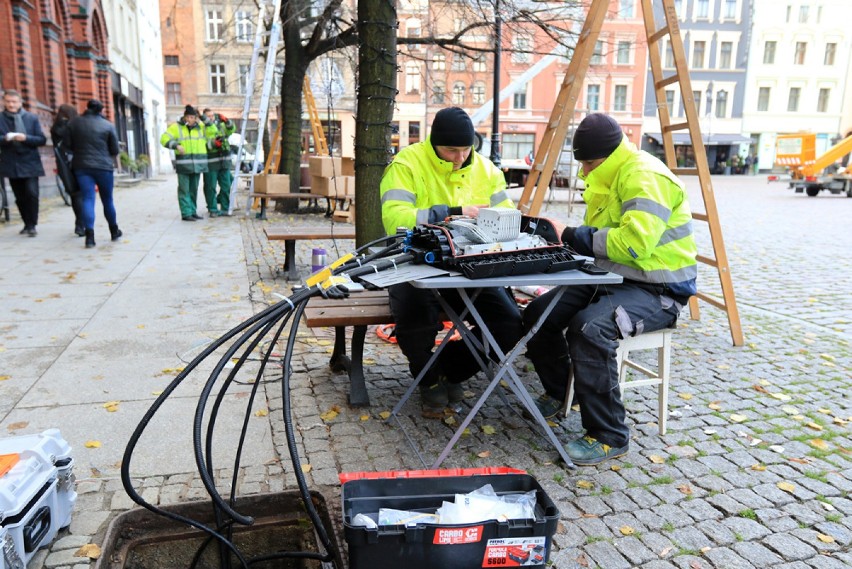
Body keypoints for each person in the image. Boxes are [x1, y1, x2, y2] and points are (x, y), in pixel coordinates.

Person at [522, 113, 697, 465]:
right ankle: (561, 395)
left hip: (659, 291)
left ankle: (609, 434)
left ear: (608, 156)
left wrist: (568, 234)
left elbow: (633, 245)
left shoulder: (644, 176)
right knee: (538, 316)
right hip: (608, 278)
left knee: (589, 328)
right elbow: (599, 241)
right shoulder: (611, 173)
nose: (584, 172)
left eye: (588, 163)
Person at [380, 106, 522, 415]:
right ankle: (427, 378)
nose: (460, 157)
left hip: (472, 268)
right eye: (451, 150)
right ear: (434, 143)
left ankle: (446, 369)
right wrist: (454, 212)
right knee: (415, 319)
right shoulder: (406, 164)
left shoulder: (487, 170)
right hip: (415, 263)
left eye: (465, 149)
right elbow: (395, 221)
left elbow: (510, 218)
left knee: (509, 322)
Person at [65, 99, 122, 248]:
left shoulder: (74, 123)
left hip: (81, 167)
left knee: (88, 199)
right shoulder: (108, 125)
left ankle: (89, 237)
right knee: (107, 200)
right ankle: (114, 231)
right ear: (101, 111)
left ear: (87, 108)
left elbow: (67, 145)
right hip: (103, 167)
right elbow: (115, 150)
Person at [0, 89, 47, 236]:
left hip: (30, 161)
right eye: (8, 102)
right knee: (19, 196)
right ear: (4, 102)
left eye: (14, 102)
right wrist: (6, 138)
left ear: (20, 102)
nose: (11, 105)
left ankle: (32, 224)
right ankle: (26, 223)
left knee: (32, 194)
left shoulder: (31, 118)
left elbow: (41, 139)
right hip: (11, 162)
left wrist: (25, 138)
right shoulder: (0, 118)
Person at [160, 105, 210, 221]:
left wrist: (202, 117)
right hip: (183, 164)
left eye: (193, 117)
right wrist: (176, 145)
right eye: (189, 117)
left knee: (193, 190)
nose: (191, 119)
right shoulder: (176, 127)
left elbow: (213, 130)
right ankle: (186, 213)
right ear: (185, 117)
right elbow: (163, 139)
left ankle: (193, 211)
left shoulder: (201, 127)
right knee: (184, 190)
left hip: (197, 165)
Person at [51, 104, 85, 237]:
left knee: (74, 194)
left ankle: (79, 224)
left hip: (63, 165)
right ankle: (81, 224)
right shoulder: (76, 126)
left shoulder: (55, 128)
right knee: (81, 194)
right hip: (78, 163)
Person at [201, 108, 236, 216]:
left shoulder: (220, 125)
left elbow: (231, 129)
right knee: (210, 187)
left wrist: (227, 121)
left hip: (224, 160)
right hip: (210, 161)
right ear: (204, 117)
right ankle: (213, 209)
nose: (211, 118)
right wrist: (213, 144)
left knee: (226, 186)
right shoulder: (202, 128)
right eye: (208, 116)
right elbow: (201, 144)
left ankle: (225, 208)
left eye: (212, 115)